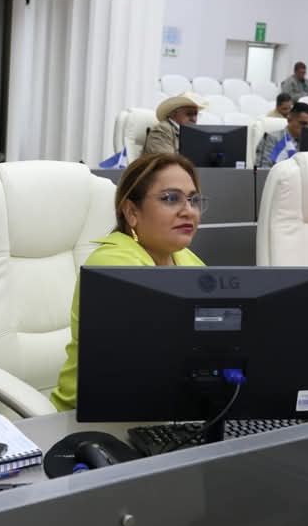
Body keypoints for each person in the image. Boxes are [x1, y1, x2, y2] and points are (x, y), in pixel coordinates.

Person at [50, 153, 206, 411]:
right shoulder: (112, 265)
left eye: (193, 200)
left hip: (164, 409)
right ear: (131, 212)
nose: (188, 211)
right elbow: (159, 357)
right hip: (88, 420)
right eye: (171, 198)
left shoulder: (186, 259)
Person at [142, 92, 207, 155]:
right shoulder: (162, 130)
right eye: (189, 114)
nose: (194, 119)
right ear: (173, 114)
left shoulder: (192, 133)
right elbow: (168, 161)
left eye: (195, 114)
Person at [255, 101, 308, 168]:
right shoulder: (271, 138)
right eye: (303, 123)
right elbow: (263, 168)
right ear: (289, 119)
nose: (307, 128)